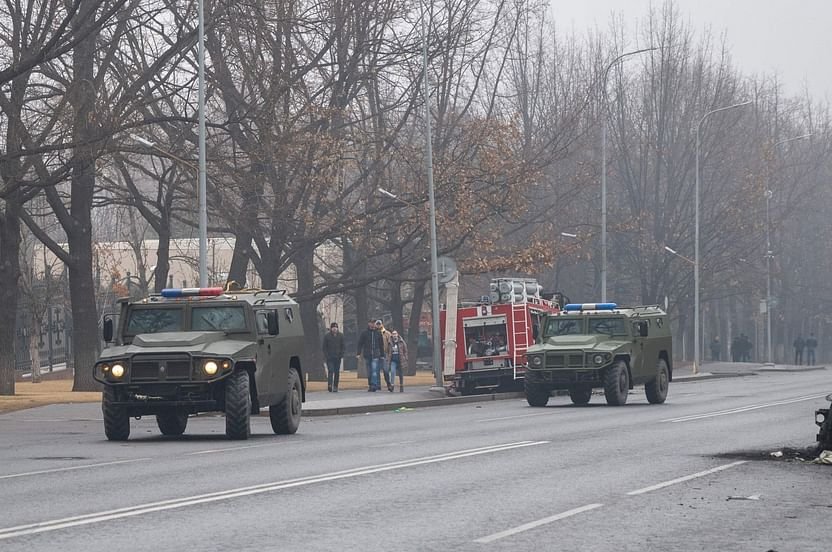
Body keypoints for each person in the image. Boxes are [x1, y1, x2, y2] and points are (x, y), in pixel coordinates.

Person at [357, 319, 385, 391]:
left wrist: (382, 355)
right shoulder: (365, 333)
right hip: (367, 354)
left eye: (374, 323)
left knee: (374, 370)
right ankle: (370, 384)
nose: (373, 325)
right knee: (369, 371)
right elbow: (360, 343)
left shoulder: (378, 333)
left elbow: (381, 345)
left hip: (376, 354)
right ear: (369, 324)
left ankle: (374, 385)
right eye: (371, 323)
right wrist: (358, 353)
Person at [322, 322, 344, 392]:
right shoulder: (327, 336)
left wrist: (341, 355)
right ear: (331, 328)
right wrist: (327, 355)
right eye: (333, 328)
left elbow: (343, 346)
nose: (335, 329)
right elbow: (324, 347)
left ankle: (335, 386)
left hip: (338, 357)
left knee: (337, 372)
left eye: (336, 327)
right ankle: (330, 385)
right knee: (330, 371)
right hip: (330, 357)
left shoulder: (341, 336)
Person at [375, 320, 394, 392]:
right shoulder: (375, 333)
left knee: (385, 370)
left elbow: (390, 344)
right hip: (377, 354)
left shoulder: (387, 334)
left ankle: (388, 384)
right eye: (377, 324)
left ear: (382, 324)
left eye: (379, 324)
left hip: (385, 354)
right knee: (376, 371)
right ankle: (378, 385)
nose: (378, 325)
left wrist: (389, 354)